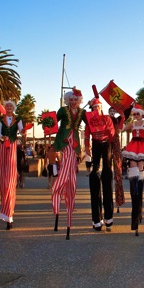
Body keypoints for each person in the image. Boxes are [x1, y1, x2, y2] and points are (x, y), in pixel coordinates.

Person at [51, 88, 86, 239]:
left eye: (75, 100)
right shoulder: (63, 110)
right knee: (65, 168)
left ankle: (68, 193)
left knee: (71, 172)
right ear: (67, 100)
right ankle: (60, 190)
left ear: (78, 101)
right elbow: (52, 122)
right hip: (64, 141)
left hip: (75, 143)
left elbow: (92, 122)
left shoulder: (82, 112)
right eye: (70, 100)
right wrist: (47, 123)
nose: (72, 102)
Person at [85, 98, 116, 232]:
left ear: (101, 107)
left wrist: (109, 132)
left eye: (98, 106)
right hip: (96, 144)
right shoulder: (89, 120)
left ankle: (109, 218)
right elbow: (87, 136)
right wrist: (87, 147)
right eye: (94, 107)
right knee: (94, 175)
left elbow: (112, 133)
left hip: (106, 144)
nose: (96, 109)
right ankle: (96, 219)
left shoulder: (107, 118)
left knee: (107, 174)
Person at [121, 103, 144, 236]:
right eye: (134, 114)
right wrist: (124, 114)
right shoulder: (132, 125)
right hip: (133, 146)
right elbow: (121, 127)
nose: (135, 116)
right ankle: (134, 189)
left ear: (140, 113)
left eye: (137, 113)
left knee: (140, 171)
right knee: (133, 168)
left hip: (142, 147)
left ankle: (138, 188)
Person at [0, 100, 25, 230]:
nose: (8, 107)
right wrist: (2, 137)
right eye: (7, 106)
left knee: (10, 183)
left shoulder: (17, 118)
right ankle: (6, 214)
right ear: (4, 108)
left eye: (11, 106)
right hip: (3, 147)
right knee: (4, 183)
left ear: (13, 108)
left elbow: (21, 130)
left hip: (12, 146)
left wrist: (24, 130)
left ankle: (10, 216)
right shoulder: (0, 119)